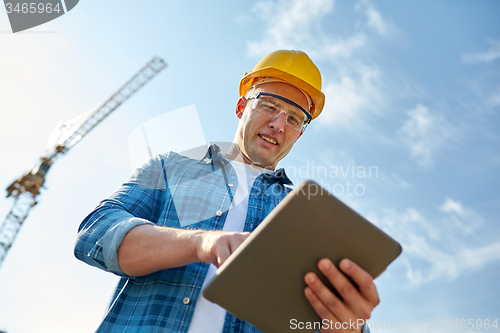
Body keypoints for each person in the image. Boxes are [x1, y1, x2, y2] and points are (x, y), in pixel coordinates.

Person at [74, 50, 379, 333]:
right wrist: (199, 243)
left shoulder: (307, 218)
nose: (278, 124)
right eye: (270, 106)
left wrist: (347, 325)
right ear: (241, 107)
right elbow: (95, 234)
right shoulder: (171, 168)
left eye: (295, 118)